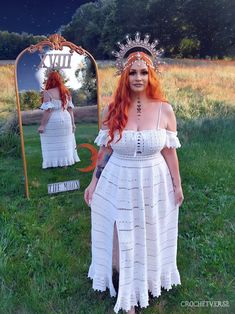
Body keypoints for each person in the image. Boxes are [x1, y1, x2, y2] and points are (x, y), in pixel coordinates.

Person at [84, 35, 184, 314]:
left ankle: (147, 277)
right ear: (124, 76)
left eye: (143, 72)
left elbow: (169, 152)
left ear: (151, 74)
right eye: (132, 73)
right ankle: (128, 290)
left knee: (148, 228)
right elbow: (104, 151)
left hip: (154, 180)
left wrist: (177, 185)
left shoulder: (165, 109)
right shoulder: (112, 109)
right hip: (120, 177)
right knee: (123, 231)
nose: (138, 77)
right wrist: (94, 182)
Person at [38, 70, 80, 169]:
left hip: (53, 119)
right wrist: (73, 124)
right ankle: (65, 163)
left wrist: (42, 125)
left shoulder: (47, 93)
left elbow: (48, 111)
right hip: (66, 118)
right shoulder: (66, 92)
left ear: (49, 81)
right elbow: (70, 110)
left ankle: (53, 162)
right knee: (65, 141)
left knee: (52, 140)